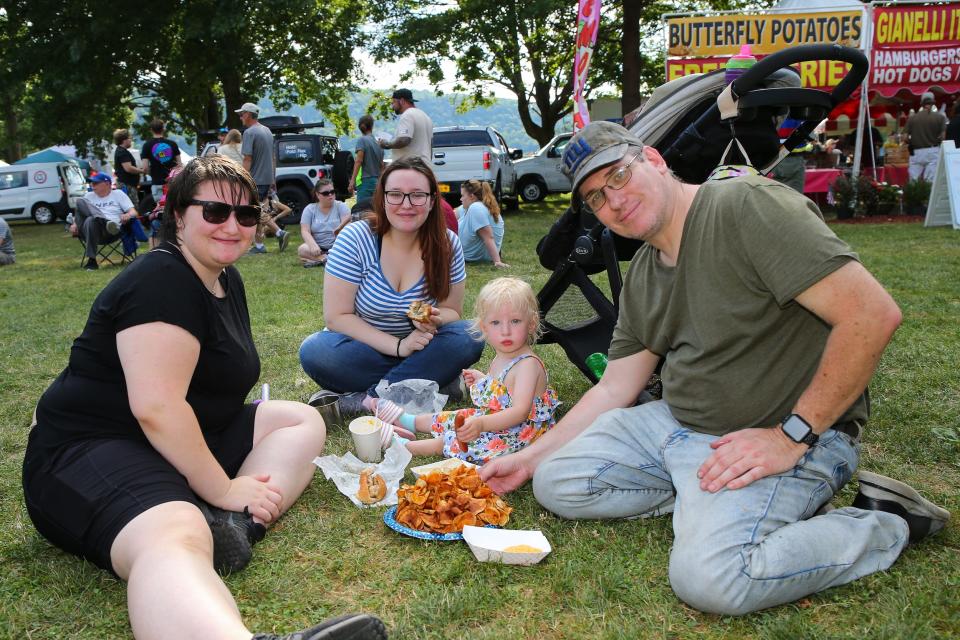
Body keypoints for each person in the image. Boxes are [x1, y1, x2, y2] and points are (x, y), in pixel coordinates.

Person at [479, 121, 950, 616]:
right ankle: (724, 501)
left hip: (786, 432)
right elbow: (616, 386)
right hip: (675, 427)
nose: (612, 201)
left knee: (713, 581)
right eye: (595, 198)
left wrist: (791, 436)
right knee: (558, 482)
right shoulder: (643, 271)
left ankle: (887, 521)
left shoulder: (744, 205)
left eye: (618, 176)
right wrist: (529, 459)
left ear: (655, 161)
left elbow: (870, 315)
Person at [22, 155, 386, 640]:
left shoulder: (223, 278)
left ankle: (234, 527)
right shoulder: (161, 280)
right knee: (176, 530)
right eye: (214, 212)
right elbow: (158, 408)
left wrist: (226, 493)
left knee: (299, 420)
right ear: (178, 215)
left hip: (176, 443)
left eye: (246, 214)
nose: (232, 225)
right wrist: (221, 486)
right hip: (89, 452)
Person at [298, 157, 484, 415]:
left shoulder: (447, 244)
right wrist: (399, 347)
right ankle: (434, 388)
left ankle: (367, 401)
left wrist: (435, 320)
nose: (406, 205)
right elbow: (337, 318)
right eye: (395, 194)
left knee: (470, 335)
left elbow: (453, 311)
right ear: (382, 199)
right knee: (316, 350)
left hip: (423, 351)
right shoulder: (356, 238)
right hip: (365, 352)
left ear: (431, 201)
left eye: (417, 195)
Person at [377, 277, 558, 464]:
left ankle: (404, 447)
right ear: (484, 327)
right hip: (496, 419)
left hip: (519, 433)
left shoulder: (528, 365)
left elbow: (520, 412)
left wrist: (481, 424)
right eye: (496, 322)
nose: (505, 331)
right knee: (456, 418)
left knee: (460, 441)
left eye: (515, 321)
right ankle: (408, 421)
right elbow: (504, 388)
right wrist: (482, 380)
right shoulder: (503, 354)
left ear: (531, 323)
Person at [74, 173, 143, 271]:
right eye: (91, 183)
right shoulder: (88, 196)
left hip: (111, 231)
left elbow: (134, 212)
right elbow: (79, 214)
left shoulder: (118, 194)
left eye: (96, 183)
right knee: (81, 204)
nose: (92, 185)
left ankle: (91, 261)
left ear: (107, 183)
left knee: (91, 220)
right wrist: (74, 224)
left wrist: (127, 215)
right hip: (90, 231)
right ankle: (104, 221)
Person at [298, 178, 351, 267]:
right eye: (326, 193)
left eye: (332, 192)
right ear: (318, 195)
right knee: (302, 249)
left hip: (338, 246)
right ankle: (326, 259)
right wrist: (312, 245)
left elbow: (347, 227)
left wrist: (339, 231)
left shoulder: (341, 206)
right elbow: (305, 230)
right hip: (319, 248)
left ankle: (321, 260)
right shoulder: (310, 209)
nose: (330, 195)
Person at [457, 179, 507, 267]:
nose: (460, 199)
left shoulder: (476, 208)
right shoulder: (479, 206)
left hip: (471, 257)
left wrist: (497, 261)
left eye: (462, 196)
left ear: (472, 196)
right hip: (472, 256)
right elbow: (449, 215)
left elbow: (488, 237)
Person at [379, 89, 433, 165]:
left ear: (402, 101)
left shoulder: (407, 115)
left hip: (410, 167)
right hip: (425, 167)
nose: (392, 107)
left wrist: (386, 144)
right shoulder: (426, 117)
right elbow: (430, 147)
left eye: (393, 102)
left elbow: (403, 140)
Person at [236, 102, 275, 200]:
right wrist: (273, 180)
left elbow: (247, 159)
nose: (240, 118)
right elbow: (273, 158)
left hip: (255, 182)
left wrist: (242, 180)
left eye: (241, 115)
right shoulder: (267, 131)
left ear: (248, 114)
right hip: (267, 182)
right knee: (261, 212)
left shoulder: (249, 133)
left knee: (250, 213)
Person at [905, 92, 947, 182]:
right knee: (930, 180)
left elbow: (905, 138)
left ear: (921, 103)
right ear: (933, 103)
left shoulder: (912, 118)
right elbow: (943, 137)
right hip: (933, 150)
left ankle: (914, 195)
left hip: (916, 152)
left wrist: (912, 141)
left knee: (913, 180)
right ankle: (928, 195)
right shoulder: (940, 118)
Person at [140, 119, 181, 202]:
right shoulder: (172, 144)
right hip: (172, 183)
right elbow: (179, 165)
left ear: (151, 130)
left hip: (156, 182)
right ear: (163, 129)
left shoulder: (147, 145)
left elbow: (145, 168)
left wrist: (152, 174)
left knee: (160, 208)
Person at [349, 115, 384, 201]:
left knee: (363, 210)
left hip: (365, 181)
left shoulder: (362, 140)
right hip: (377, 181)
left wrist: (352, 180)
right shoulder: (379, 143)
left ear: (361, 127)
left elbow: (358, 161)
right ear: (371, 126)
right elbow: (382, 165)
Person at [248, 189, 291, 255]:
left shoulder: (273, 202)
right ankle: (259, 246)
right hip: (265, 224)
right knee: (258, 220)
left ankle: (279, 233)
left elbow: (288, 210)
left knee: (258, 215)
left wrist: (276, 217)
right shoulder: (260, 204)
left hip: (273, 223)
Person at [113, 128, 146, 211]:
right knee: (131, 208)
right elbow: (128, 168)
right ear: (124, 140)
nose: (131, 141)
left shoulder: (121, 151)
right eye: (130, 138)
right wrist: (142, 171)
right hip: (127, 185)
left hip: (127, 184)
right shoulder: (122, 152)